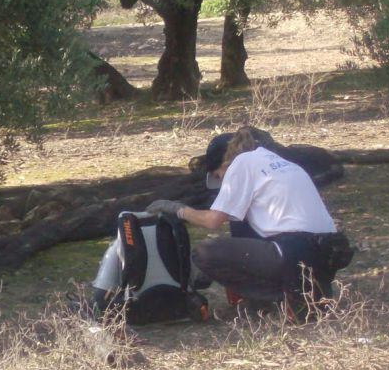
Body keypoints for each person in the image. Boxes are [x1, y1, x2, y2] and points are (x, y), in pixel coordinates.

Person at [147, 126, 352, 319]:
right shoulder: (279, 162)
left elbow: (213, 221)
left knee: (204, 253)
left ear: (223, 164)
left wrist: (177, 209)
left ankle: (270, 299)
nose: (221, 183)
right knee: (239, 219)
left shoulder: (240, 164)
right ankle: (295, 293)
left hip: (295, 250)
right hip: (328, 252)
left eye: (219, 176)